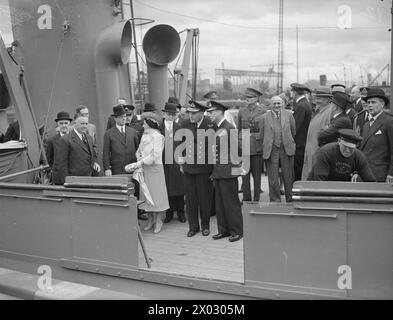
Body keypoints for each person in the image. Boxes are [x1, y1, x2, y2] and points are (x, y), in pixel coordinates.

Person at [125, 112, 169, 233]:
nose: (142, 125)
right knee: (145, 194)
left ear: (150, 123)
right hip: (144, 169)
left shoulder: (158, 136)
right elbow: (139, 150)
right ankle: (150, 220)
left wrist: (139, 163)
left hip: (155, 169)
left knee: (156, 195)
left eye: (144, 123)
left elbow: (155, 156)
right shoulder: (144, 135)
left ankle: (159, 220)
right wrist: (138, 157)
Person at [207, 100, 243, 242]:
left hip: (228, 171)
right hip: (218, 171)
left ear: (219, 112)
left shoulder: (229, 128)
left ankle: (237, 230)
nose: (209, 114)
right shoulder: (216, 128)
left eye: (211, 112)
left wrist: (235, 171)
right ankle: (224, 230)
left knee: (231, 202)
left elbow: (237, 151)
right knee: (220, 203)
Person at [181, 100, 215, 237]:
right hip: (189, 168)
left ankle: (205, 226)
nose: (191, 115)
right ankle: (193, 226)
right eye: (189, 112)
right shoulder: (185, 124)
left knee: (205, 198)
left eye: (194, 113)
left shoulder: (210, 124)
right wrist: (181, 163)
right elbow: (181, 145)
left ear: (202, 113)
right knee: (190, 199)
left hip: (205, 168)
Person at [259, 96, 296, 202]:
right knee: (273, 177)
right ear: (270, 105)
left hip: (286, 148)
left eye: (279, 103)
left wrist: (287, 141)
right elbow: (262, 135)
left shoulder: (289, 115)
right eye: (274, 103)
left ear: (283, 104)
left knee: (288, 176)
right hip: (271, 149)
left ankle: (290, 199)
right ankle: (275, 200)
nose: (276, 106)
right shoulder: (264, 117)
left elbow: (293, 131)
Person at [308, 129, 376, 182]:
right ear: (339, 141)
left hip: (342, 190)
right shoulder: (325, 152)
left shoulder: (358, 156)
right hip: (317, 188)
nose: (347, 150)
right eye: (345, 147)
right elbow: (319, 180)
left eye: (351, 148)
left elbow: (370, 181)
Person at [52, 115, 101, 185]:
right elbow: (61, 165)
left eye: (86, 124)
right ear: (75, 124)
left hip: (89, 178)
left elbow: (92, 153)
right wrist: (67, 182)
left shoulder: (89, 138)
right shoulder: (65, 140)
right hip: (75, 181)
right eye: (82, 124)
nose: (84, 126)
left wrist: (95, 162)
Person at [238, 87, 266, 201]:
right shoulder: (241, 111)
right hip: (244, 147)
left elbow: (265, 130)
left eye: (250, 97)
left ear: (256, 98)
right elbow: (239, 128)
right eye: (246, 97)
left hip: (257, 147)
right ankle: (246, 198)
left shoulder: (263, 111)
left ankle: (256, 198)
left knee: (257, 175)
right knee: (244, 176)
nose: (247, 99)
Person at [359, 88, 393, 183]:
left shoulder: (389, 121)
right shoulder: (366, 125)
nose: (370, 105)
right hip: (364, 174)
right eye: (368, 102)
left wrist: (391, 174)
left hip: (381, 175)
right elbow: (361, 150)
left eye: (373, 102)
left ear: (382, 104)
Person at [160, 102, 186, 224]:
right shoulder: (158, 128)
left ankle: (181, 212)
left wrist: (183, 161)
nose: (170, 117)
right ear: (164, 114)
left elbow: (183, 146)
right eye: (168, 114)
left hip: (176, 162)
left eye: (173, 114)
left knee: (179, 188)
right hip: (163, 162)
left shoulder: (179, 127)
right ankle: (169, 213)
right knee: (166, 188)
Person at [301, 87, 334, 179]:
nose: (317, 99)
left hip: (318, 154)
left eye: (320, 97)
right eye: (317, 97)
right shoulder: (319, 111)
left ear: (328, 99)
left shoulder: (329, 112)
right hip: (310, 153)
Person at [103, 105, 139, 176]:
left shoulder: (133, 131)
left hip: (132, 167)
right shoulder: (109, 133)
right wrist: (107, 168)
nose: (124, 119)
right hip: (117, 169)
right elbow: (106, 153)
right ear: (115, 119)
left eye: (125, 116)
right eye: (121, 117)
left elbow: (138, 149)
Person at [290, 83, 312, 181]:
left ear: (295, 92)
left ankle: (297, 192)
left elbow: (295, 127)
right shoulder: (304, 103)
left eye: (292, 91)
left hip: (299, 144)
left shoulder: (301, 106)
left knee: (297, 171)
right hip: (302, 142)